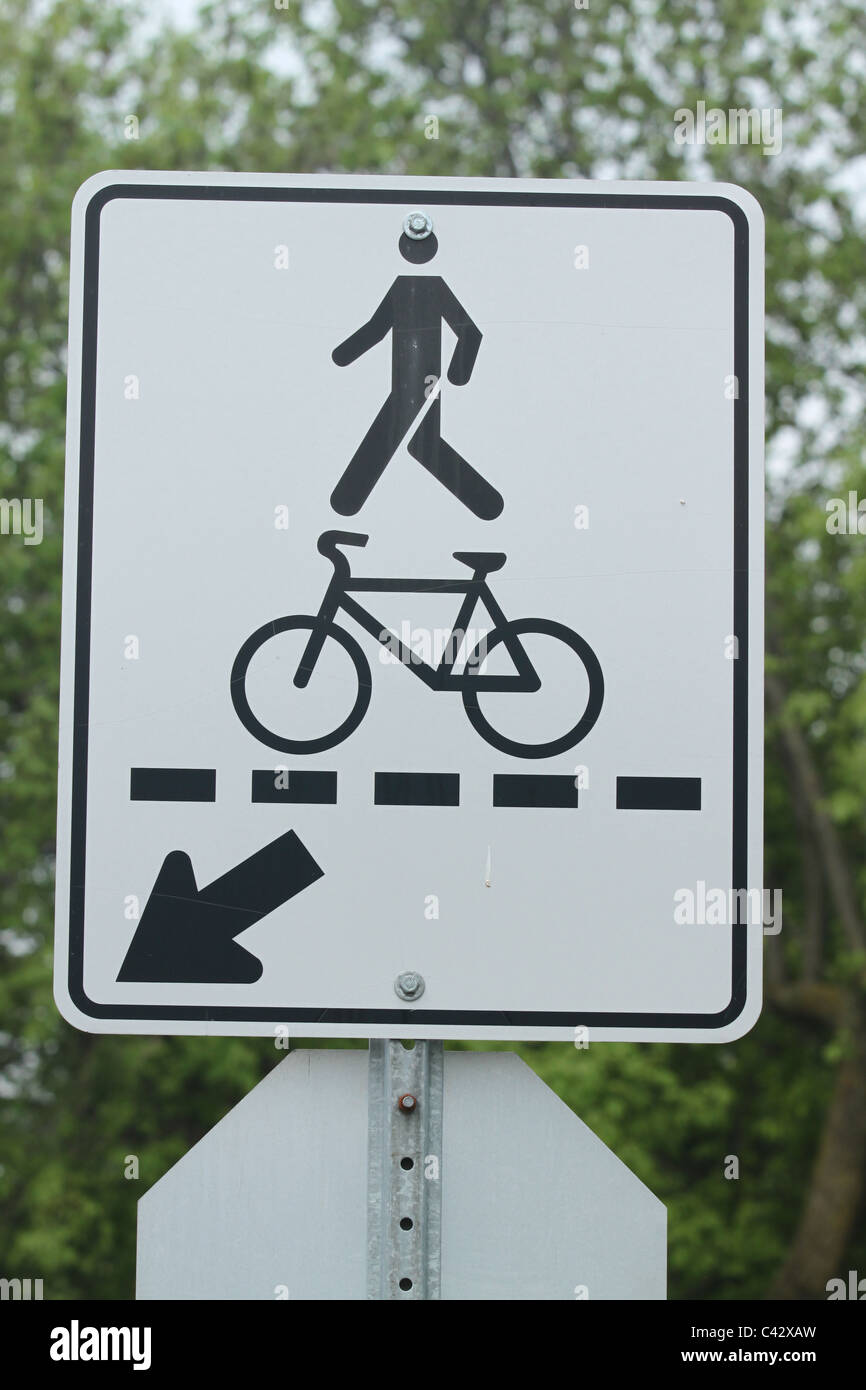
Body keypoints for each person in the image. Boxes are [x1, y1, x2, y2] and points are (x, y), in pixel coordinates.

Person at [330, 217, 504, 520]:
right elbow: (377, 328)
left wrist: (457, 375)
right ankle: (487, 505)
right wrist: (343, 355)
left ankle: (347, 501)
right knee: (423, 444)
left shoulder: (436, 288)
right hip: (406, 382)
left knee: (408, 440)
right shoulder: (402, 287)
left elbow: (470, 332)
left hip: (426, 382)